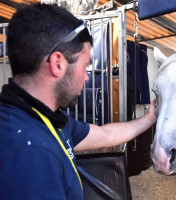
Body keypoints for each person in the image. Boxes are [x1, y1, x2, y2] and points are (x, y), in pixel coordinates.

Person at [0, 3, 157, 200]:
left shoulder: (45, 118)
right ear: (58, 64)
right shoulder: (28, 155)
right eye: (84, 66)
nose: (86, 77)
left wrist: (151, 118)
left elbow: (106, 134)